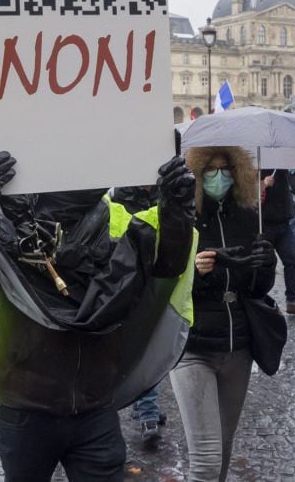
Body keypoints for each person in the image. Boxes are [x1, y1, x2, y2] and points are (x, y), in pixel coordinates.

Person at [0, 152, 194, 481]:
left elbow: (165, 267)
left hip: (95, 406)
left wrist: (177, 208)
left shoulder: (116, 220)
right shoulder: (8, 221)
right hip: (26, 406)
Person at [173, 146, 276, 482]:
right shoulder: (182, 216)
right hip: (192, 348)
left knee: (223, 450)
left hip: (238, 346)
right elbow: (162, 283)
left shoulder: (249, 216)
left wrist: (266, 263)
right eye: (211, 170)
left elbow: (258, 289)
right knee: (204, 462)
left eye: (226, 169)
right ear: (198, 175)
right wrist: (194, 271)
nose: (220, 176)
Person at [110, 184, 168, 450]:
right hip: (126, 285)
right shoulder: (118, 198)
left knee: (151, 350)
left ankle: (147, 410)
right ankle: (146, 412)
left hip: (155, 283)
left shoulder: (167, 193)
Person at [261, 169, 295, 317]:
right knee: (264, 265)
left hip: (284, 222)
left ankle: (293, 301)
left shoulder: (282, 165)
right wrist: (262, 184)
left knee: (291, 260)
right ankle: (260, 301)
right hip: (264, 224)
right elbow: (245, 193)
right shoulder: (257, 161)